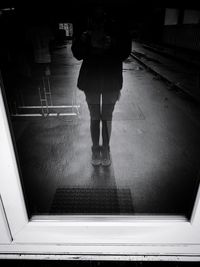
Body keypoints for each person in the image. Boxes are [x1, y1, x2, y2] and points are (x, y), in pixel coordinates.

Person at [71, 6, 131, 166]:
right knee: (95, 116)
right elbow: (76, 53)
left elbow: (126, 50)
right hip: (93, 77)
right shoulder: (84, 19)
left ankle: (105, 149)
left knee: (105, 116)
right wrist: (83, 40)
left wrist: (112, 43)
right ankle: (96, 149)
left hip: (110, 78)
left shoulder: (119, 18)